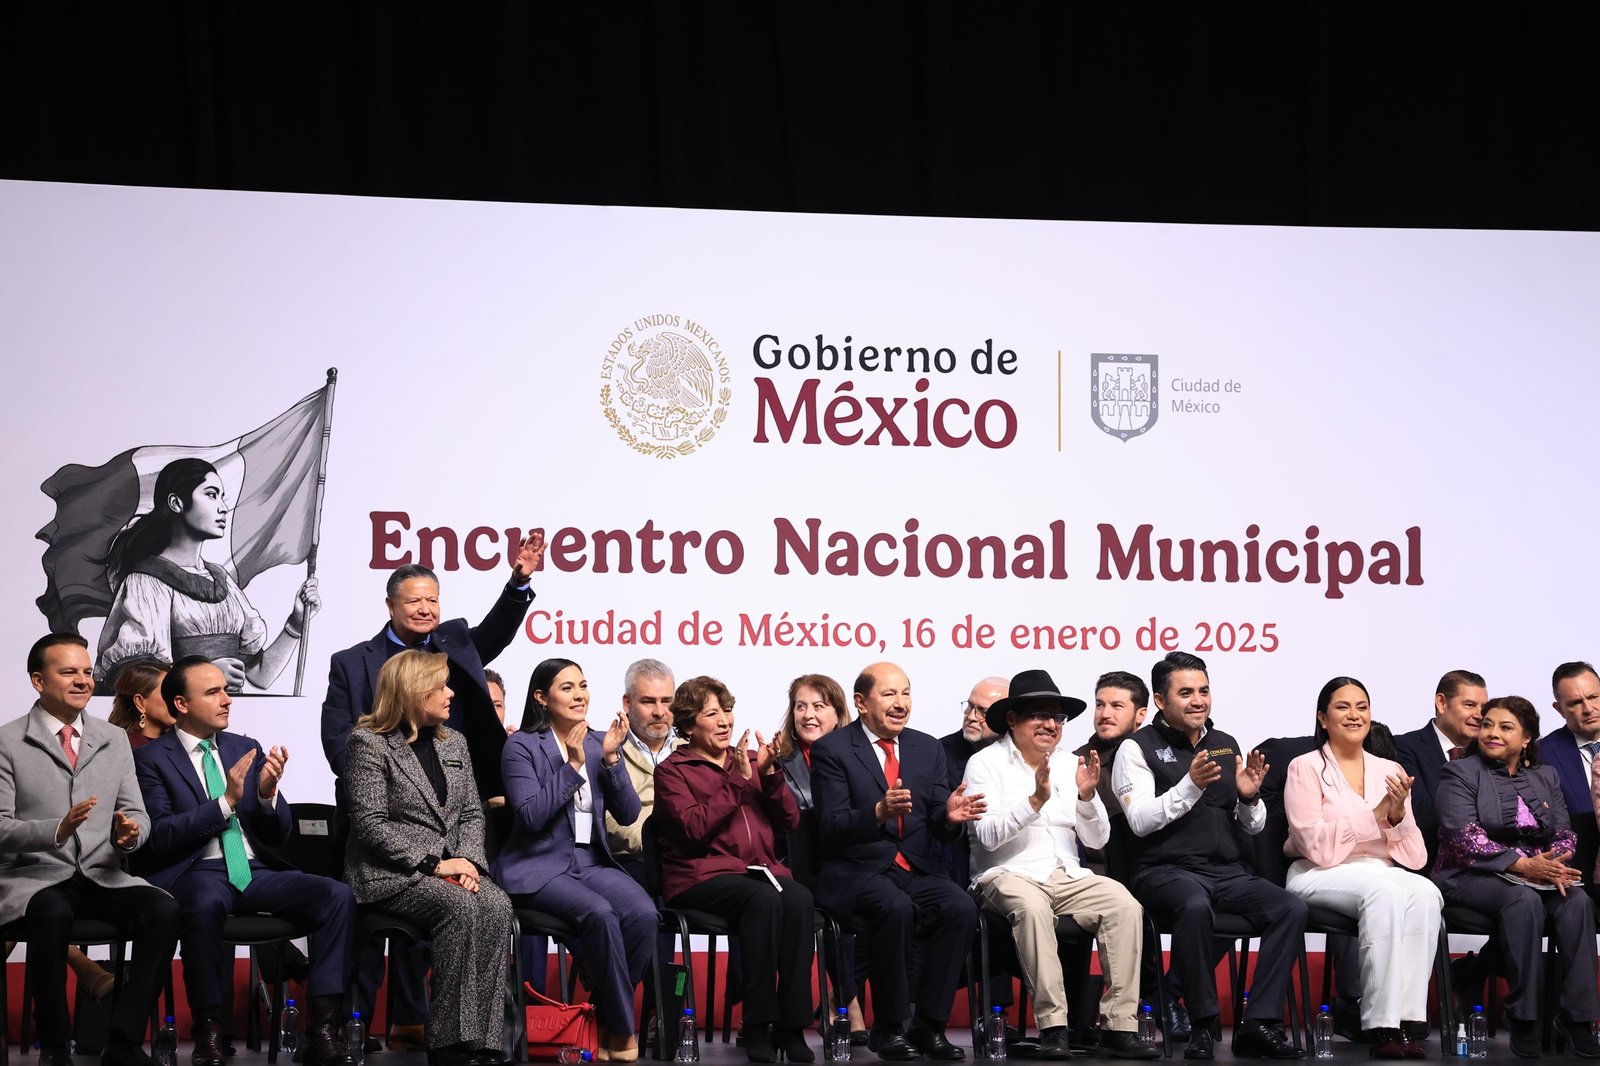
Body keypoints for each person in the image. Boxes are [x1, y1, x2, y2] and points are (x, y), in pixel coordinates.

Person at [321, 535, 543, 1045]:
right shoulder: (354, 663)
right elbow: (339, 741)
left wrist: (518, 582)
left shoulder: (452, 648)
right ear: (390, 606)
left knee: (485, 905)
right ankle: (368, 1024)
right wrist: (377, 774)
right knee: (390, 929)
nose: (425, 609)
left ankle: (471, 1036)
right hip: (384, 821)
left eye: (432, 600)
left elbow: (495, 633)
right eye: (414, 601)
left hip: (450, 816)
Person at [134, 655, 356, 1066]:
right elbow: (160, 835)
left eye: (226, 690)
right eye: (212, 692)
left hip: (254, 871)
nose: (227, 700)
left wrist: (267, 795)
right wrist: (225, 803)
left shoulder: (244, 747)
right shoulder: (152, 759)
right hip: (198, 871)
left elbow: (279, 834)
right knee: (203, 902)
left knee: (336, 895)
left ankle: (322, 1031)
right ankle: (209, 1030)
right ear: (181, 704)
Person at [1110, 651, 1306, 1061]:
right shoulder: (1136, 748)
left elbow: (1251, 827)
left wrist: (1249, 798)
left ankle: (1258, 1023)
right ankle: (1202, 1023)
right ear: (1160, 700)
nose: (1198, 700)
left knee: (1290, 907)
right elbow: (1140, 821)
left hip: (1225, 872)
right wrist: (1190, 786)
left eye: (1204, 691)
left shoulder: (1225, 745)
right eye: (1186, 693)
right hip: (1163, 871)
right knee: (1195, 906)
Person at [0, 633, 180, 1066]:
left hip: (102, 875)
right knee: (52, 913)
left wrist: (131, 833)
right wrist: (57, 829)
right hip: (35, 878)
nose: (83, 680)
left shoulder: (112, 738)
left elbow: (137, 813)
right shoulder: (7, 741)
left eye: (86, 671)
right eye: (69, 672)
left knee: (164, 909)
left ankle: (124, 1040)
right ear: (39, 681)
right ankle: (55, 1046)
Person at [964, 669, 1157, 1060]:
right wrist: (1034, 801)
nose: (1050, 724)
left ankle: (1119, 1026)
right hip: (1006, 874)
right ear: (1012, 719)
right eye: (1039, 715)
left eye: (1057, 717)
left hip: (1065, 875)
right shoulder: (985, 764)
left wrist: (1086, 798)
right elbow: (986, 836)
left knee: (1123, 904)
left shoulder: (1072, 765)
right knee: (1032, 908)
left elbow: (1097, 840)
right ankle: (1054, 1027)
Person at [343, 650, 514, 1066]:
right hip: (389, 873)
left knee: (496, 904)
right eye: (441, 686)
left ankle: (484, 1040)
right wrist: (435, 865)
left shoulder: (454, 742)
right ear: (413, 692)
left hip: (452, 868)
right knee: (460, 908)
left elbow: (471, 813)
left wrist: (468, 863)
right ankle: (448, 1042)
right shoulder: (368, 744)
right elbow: (371, 825)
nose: (450, 693)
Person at [810, 661, 985, 1062]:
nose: (901, 703)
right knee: (895, 908)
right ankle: (888, 1027)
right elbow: (831, 827)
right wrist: (877, 813)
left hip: (915, 868)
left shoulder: (927, 747)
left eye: (906, 693)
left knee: (960, 907)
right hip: (857, 870)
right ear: (861, 702)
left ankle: (929, 1025)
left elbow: (938, 820)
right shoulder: (832, 750)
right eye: (889, 694)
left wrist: (950, 817)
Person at [492, 658, 655, 1063]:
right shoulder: (521, 746)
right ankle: (621, 1031)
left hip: (589, 861)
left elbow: (629, 813)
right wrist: (573, 765)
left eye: (583, 685)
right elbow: (530, 816)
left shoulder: (601, 742)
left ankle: (602, 1016)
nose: (580, 695)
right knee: (600, 914)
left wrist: (612, 760)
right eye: (567, 688)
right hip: (537, 864)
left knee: (643, 914)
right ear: (541, 697)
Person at [653, 676, 817, 1064]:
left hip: (756, 871)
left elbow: (789, 821)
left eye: (727, 711)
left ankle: (793, 1026)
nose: (725, 720)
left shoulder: (752, 761)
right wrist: (737, 782)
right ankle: (757, 1023)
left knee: (799, 898)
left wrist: (771, 775)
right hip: (698, 875)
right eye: (712, 714)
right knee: (762, 900)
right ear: (688, 725)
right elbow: (693, 828)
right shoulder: (673, 771)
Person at [1281, 677, 1441, 1059]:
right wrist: (1376, 814)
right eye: (1343, 707)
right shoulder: (1304, 767)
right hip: (1317, 872)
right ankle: (1381, 1026)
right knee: (1384, 894)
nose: (1354, 715)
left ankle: (1407, 1021)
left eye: (1362, 707)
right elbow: (1315, 845)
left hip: (1379, 869)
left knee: (1425, 892)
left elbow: (1415, 857)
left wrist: (1397, 816)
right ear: (1323, 718)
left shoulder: (1390, 768)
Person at [1435, 695, 1600, 1059]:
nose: (1492, 733)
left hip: (1537, 873)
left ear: (1526, 738)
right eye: (1487, 725)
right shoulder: (1459, 772)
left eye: (1505, 727)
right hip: (1469, 873)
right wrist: (1523, 866)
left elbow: (1563, 830)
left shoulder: (1545, 775)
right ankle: (1524, 1016)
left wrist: (1555, 861)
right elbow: (1463, 836)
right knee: (1523, 902)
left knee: (1577, 902)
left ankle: (1577, 1018)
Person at [95, 457, 319, 693]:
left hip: (228, 710)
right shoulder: (146, 582)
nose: (223, 507)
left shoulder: (222, 580)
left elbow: (260, 675)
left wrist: (296, 622)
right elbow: (135, 680)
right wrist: (205, 675)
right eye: (211, 495)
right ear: (176, 503)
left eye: (222, 497)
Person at [772, 674, 866, 1041]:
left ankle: (837, 997)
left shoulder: (858, 758)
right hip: (794, 863)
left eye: (818, 706)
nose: (808, 715)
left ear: (838, 713)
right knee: (833, 903)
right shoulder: (778, 759)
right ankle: (849, 1003)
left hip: (847, 859)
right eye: (801, 706)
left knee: (888, 907)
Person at [1393, 670, 1488, 873]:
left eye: (1484, 708)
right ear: (1442, 703)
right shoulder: (1405, 747)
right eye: (1469, 705)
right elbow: (1417, 809)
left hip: (1487, 866)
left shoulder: (1490, 754)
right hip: (1429, 866)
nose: (1479, 715)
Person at [604, 658, 681, 875]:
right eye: (648, 702)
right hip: (635, 861)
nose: (660, 712)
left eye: (667, 701)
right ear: (627, 703)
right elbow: (608, 817)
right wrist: (664, 849)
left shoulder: (691, 748)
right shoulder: (607, 751)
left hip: (691, 860)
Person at [1543, 662, 1600, 826]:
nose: (1588, 709)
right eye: (1576, 702)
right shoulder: (1541, 755)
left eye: (1593, 697)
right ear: (1559, 709)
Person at [106, 659, 173, 750]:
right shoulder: (119, 748)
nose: (176, 700)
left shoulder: (180, 743)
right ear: (140, 702)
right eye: (167, 693)